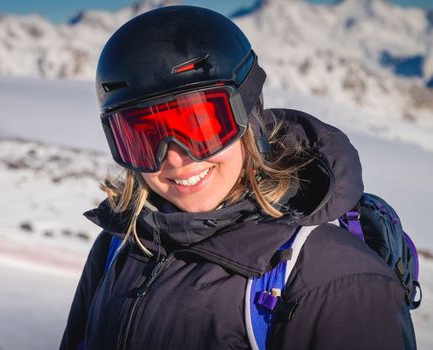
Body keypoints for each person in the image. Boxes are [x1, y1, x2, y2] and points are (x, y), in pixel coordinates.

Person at [60, 5, 413, 350]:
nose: (175, 158)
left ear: (249, 117)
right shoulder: (120, 245)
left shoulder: (332, 277)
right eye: (143, 138)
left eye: (200, 126)